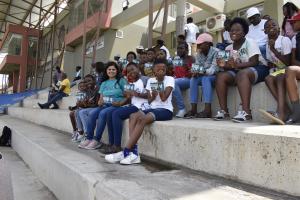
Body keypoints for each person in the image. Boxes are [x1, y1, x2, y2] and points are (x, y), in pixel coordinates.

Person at [105, 58, 174, 165]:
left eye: (163, 69)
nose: (161, 71)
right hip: (152, 108)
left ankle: (126, 151)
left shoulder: (169, 79)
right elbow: (150, 100)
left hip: (165, 110)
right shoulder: (151, 81)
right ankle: (134, 154)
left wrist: (160, 85)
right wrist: (153, 94)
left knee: (142, 119)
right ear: (153, 71)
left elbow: (164, 98)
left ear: (166, 70)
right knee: (133, 115)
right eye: (158, 69)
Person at [214, 17, 269, 123]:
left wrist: (237, 65)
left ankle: (246, 112)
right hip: (240, 71)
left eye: (237, 30)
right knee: (221, 76)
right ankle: (224, 111)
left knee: (242, 74)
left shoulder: (250, 42)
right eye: (231, 30)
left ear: (244, 33)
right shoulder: (228, 48)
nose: (233, 32)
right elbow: (230, 66)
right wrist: (222, 64)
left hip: (259, 68)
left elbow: (254, 62)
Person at [78, 62, 128, 150]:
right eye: (109, 69)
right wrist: (100, 102)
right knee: (92, 113)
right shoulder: (104, 83)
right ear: (106, 71)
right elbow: (100, 99)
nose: (111, 71)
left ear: (117, 70)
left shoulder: (121, 80)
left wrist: (121, 103)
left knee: (103, 113)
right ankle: (89, 138)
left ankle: (96, 140)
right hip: (105, 105)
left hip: (116, 105)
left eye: (113, 69)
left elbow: (127, 96)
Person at [103, 63, 148, 155]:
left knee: (116, 114)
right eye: (128, 71)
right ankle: (112, 144)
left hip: (141, 106)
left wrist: (136, 94)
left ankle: (117, 145)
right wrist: (125, 97)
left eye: (132, 69)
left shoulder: (145, 80)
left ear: (138, 68)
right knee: (109, 113)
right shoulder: (130, 82)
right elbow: (128, 97)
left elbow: (149, 96)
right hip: (132, 105)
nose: (130, 72)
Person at [259, 19, 292, 125]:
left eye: (274, 25)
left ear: (279, 28)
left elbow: (287, 62)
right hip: (278, 70)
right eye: (268, 26)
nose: (271, 27)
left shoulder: (284, 40)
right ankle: (285, 109)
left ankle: (281, 112)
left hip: (289, 69)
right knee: (268, 79)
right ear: (265, 31)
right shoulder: (268, 44)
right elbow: (271, 61)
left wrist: (273, 49)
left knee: (280, 77)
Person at [185, 33, 219, 118]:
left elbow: (213, 69)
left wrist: (201, 71)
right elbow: (197, 66)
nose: (199, 45)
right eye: (198, 44)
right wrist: (195, 72)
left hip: (216, 76)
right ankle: (193, 109)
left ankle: (208, 110)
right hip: (205, 75)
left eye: (201, 44)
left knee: (205, 79)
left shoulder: (217, 52)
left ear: (207, 44)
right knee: (193, 79)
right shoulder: (199, 54)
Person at [72, 75, 99, 142]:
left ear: (94, 81)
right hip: (91, 107)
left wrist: (87, 104)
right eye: (86, 82)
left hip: (98, 108)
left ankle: (87, 134)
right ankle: (80, 132)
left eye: (89, 81)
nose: (88, 83)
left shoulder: (97, 89)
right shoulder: (88, 90)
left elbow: (97, 104)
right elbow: (87, 104)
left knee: (82, 112)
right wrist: (82, 103)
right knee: (77, 111)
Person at [172, 42, 194, 117]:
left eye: (181, 48)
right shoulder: (176, 59)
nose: (179, 50)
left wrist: (187, 66)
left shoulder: (190, 58)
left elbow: (194, 72)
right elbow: (173, 71)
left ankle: (182, 109)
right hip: (178, 80)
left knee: (173, 82)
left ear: (187, 50)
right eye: (178, 48)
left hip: (189, 80)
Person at [285, 13, 300, 124]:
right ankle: (297, 111)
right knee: (289, 70)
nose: (291, 23)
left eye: (294, 22)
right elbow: (293, 60)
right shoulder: (295, 38)